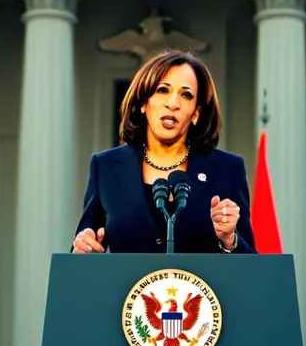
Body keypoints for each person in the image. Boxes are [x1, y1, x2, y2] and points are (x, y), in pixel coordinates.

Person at [72, 49, 256, 255]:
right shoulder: (105, 166)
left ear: (196, 113)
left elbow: (251, 267)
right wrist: (82, 248)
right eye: (162, 90)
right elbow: (84, 248)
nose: (173, 103)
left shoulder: (228, 169)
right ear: (143, 103)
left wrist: (230, 240)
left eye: (186, 95)